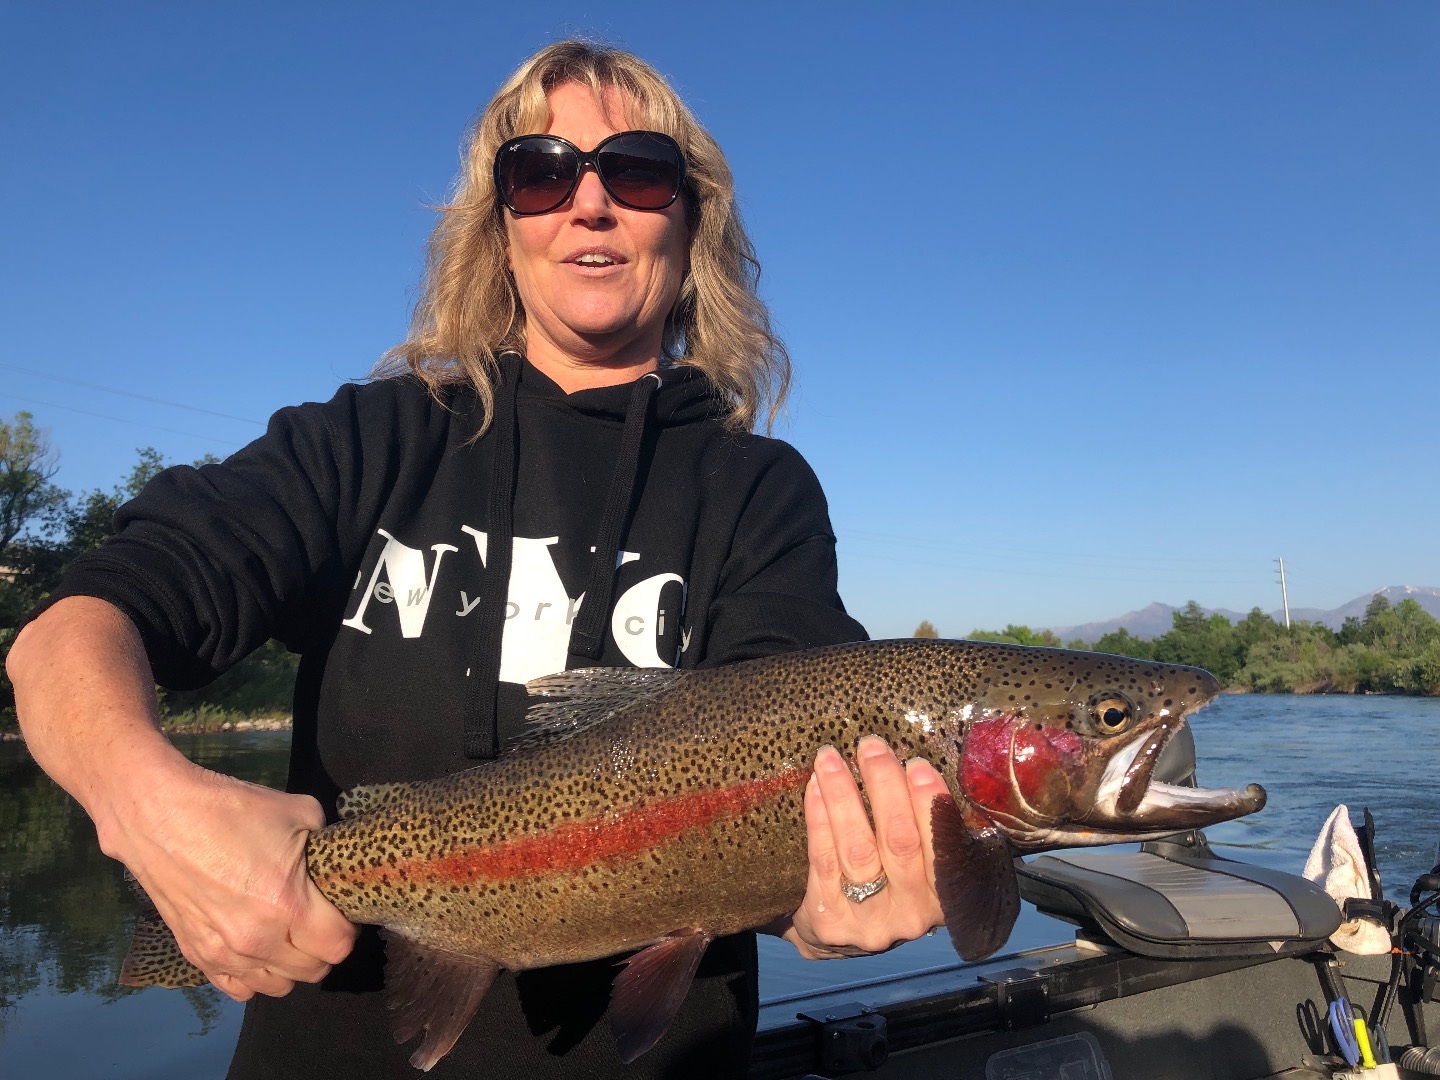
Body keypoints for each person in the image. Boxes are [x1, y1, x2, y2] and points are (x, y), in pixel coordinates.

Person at [7, 41, 946, 1079]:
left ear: (692, 221)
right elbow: (74, 631)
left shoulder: (757, 489)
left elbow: (800, 792)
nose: (589, 204)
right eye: (541, 172)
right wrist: (147, 802)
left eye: (636, 170)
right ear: (499, 229)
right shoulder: (369, 442)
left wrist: (839, 899)